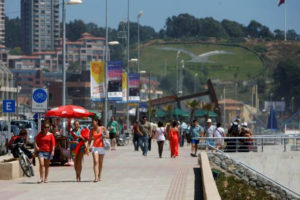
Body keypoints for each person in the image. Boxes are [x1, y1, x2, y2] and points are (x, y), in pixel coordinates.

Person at [88, 118, 108, 182]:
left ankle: (99, 175)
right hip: (95, 147)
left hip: (102, 147)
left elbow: (107, 135)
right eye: (92, 122)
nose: (92, 123)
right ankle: (96, 177)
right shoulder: (91, 130)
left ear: (96, 122)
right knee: (95, 161)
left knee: (100, 162)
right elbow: (90, 139)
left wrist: (104, 136)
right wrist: (88, 146)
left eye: (93, 122)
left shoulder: (102, 128)